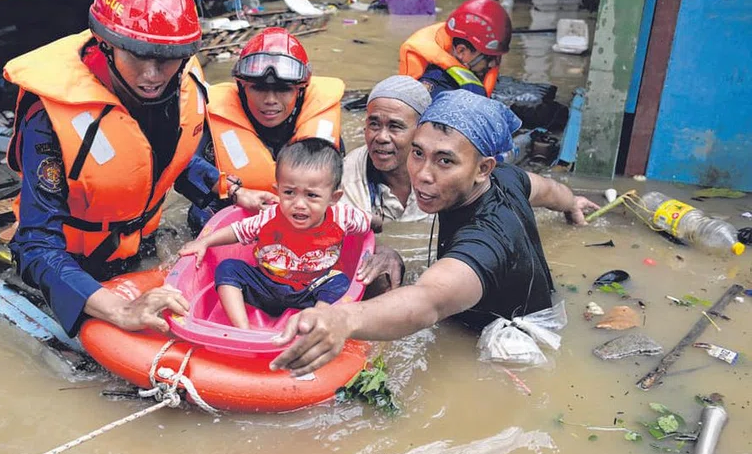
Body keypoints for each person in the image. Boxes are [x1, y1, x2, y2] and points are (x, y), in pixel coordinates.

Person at [4, 0, 269, 337]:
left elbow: (173, 158)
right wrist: (120, 310)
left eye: (165, 60)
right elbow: (36, 246)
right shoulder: (48, 117)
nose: (152, 76)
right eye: (138, 57)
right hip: (70, 266)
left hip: (137, 246)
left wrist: (232, 190)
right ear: (106, 45)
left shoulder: (178, 83)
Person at [269, 90, 600, 376]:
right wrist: (572, 204)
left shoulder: (487, 238)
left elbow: (428, 300)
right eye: (417, 153)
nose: (422, 175)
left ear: (483, 168)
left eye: (444, 161)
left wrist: (343, 319)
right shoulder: (507, 178)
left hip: (513, 339)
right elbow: (547, 190)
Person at [179, 139, 371, 329]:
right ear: (277, 191)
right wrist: (204, 242)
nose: (299, 204)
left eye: (311, 195)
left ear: (333, 198)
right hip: (265, 285)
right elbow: (238, 230)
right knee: (228, 268)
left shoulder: (343, 216)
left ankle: (315, 322)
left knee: (339, 282)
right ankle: (242, 328)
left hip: (312, 289)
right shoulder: (270, 216)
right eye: (289, 193)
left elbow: (369, 224)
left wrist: (376, 224)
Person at [189, 27, 344, 233]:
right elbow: (183, 165)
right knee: (200, 215)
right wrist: (235, 191)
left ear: (300, 92)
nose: (270, 100)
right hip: (233, 213)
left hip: (301, 218)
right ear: (242, 88)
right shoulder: (211, 124)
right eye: (259, 88)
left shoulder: (321, 129)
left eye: (283, 89)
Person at [341, 76, 433, 228]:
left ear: (421, 131)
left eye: (395, 126)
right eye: (374, 125)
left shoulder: (444, 177)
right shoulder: (347, 178)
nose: (382, 137)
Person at [398, 0, 512, 99]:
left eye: (497, 57)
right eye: (489, 58)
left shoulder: (457, 36)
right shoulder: (434, 85)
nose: (493, 64)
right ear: (461, 51)